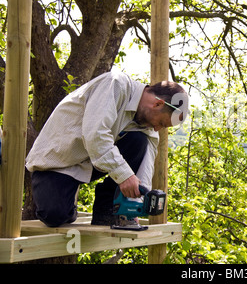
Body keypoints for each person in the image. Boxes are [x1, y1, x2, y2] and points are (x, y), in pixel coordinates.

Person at [25, 70, 189, 227]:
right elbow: (95, 136)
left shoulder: (147, 124)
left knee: (140, 141)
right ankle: (66, 203)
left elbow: (146, 164)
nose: (156, 129)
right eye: (161, 123)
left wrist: (136, 205)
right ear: (158, 103)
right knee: (55, 216)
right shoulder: (115, 84)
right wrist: (124, 176)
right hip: (58, 161)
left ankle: (106, 209)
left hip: (91, 161)